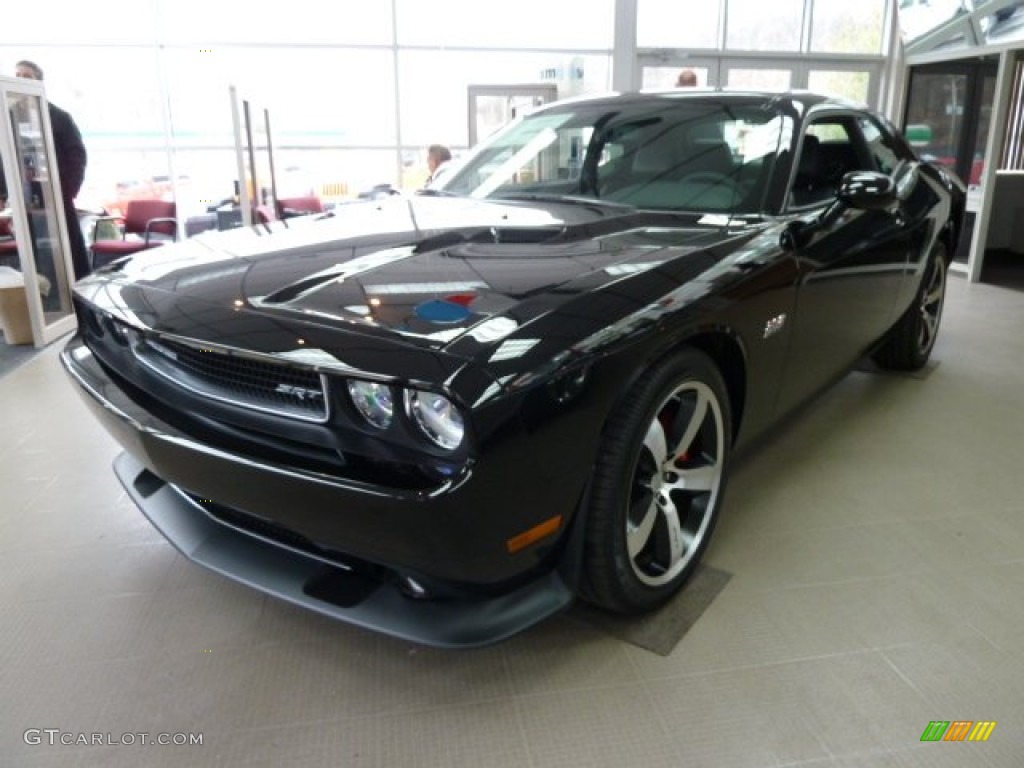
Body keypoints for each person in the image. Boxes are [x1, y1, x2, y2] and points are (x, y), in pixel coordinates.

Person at [14, 60, 90, 281]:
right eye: (17, 76)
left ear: (39, 82)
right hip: (27, 201)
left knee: (68, 254)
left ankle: (78, 306)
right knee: (36, 257)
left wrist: (65, 191)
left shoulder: (59, 117)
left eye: (26, 77)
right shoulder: (9, 117)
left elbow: (77, 156)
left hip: (57, 198)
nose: (20, 80)